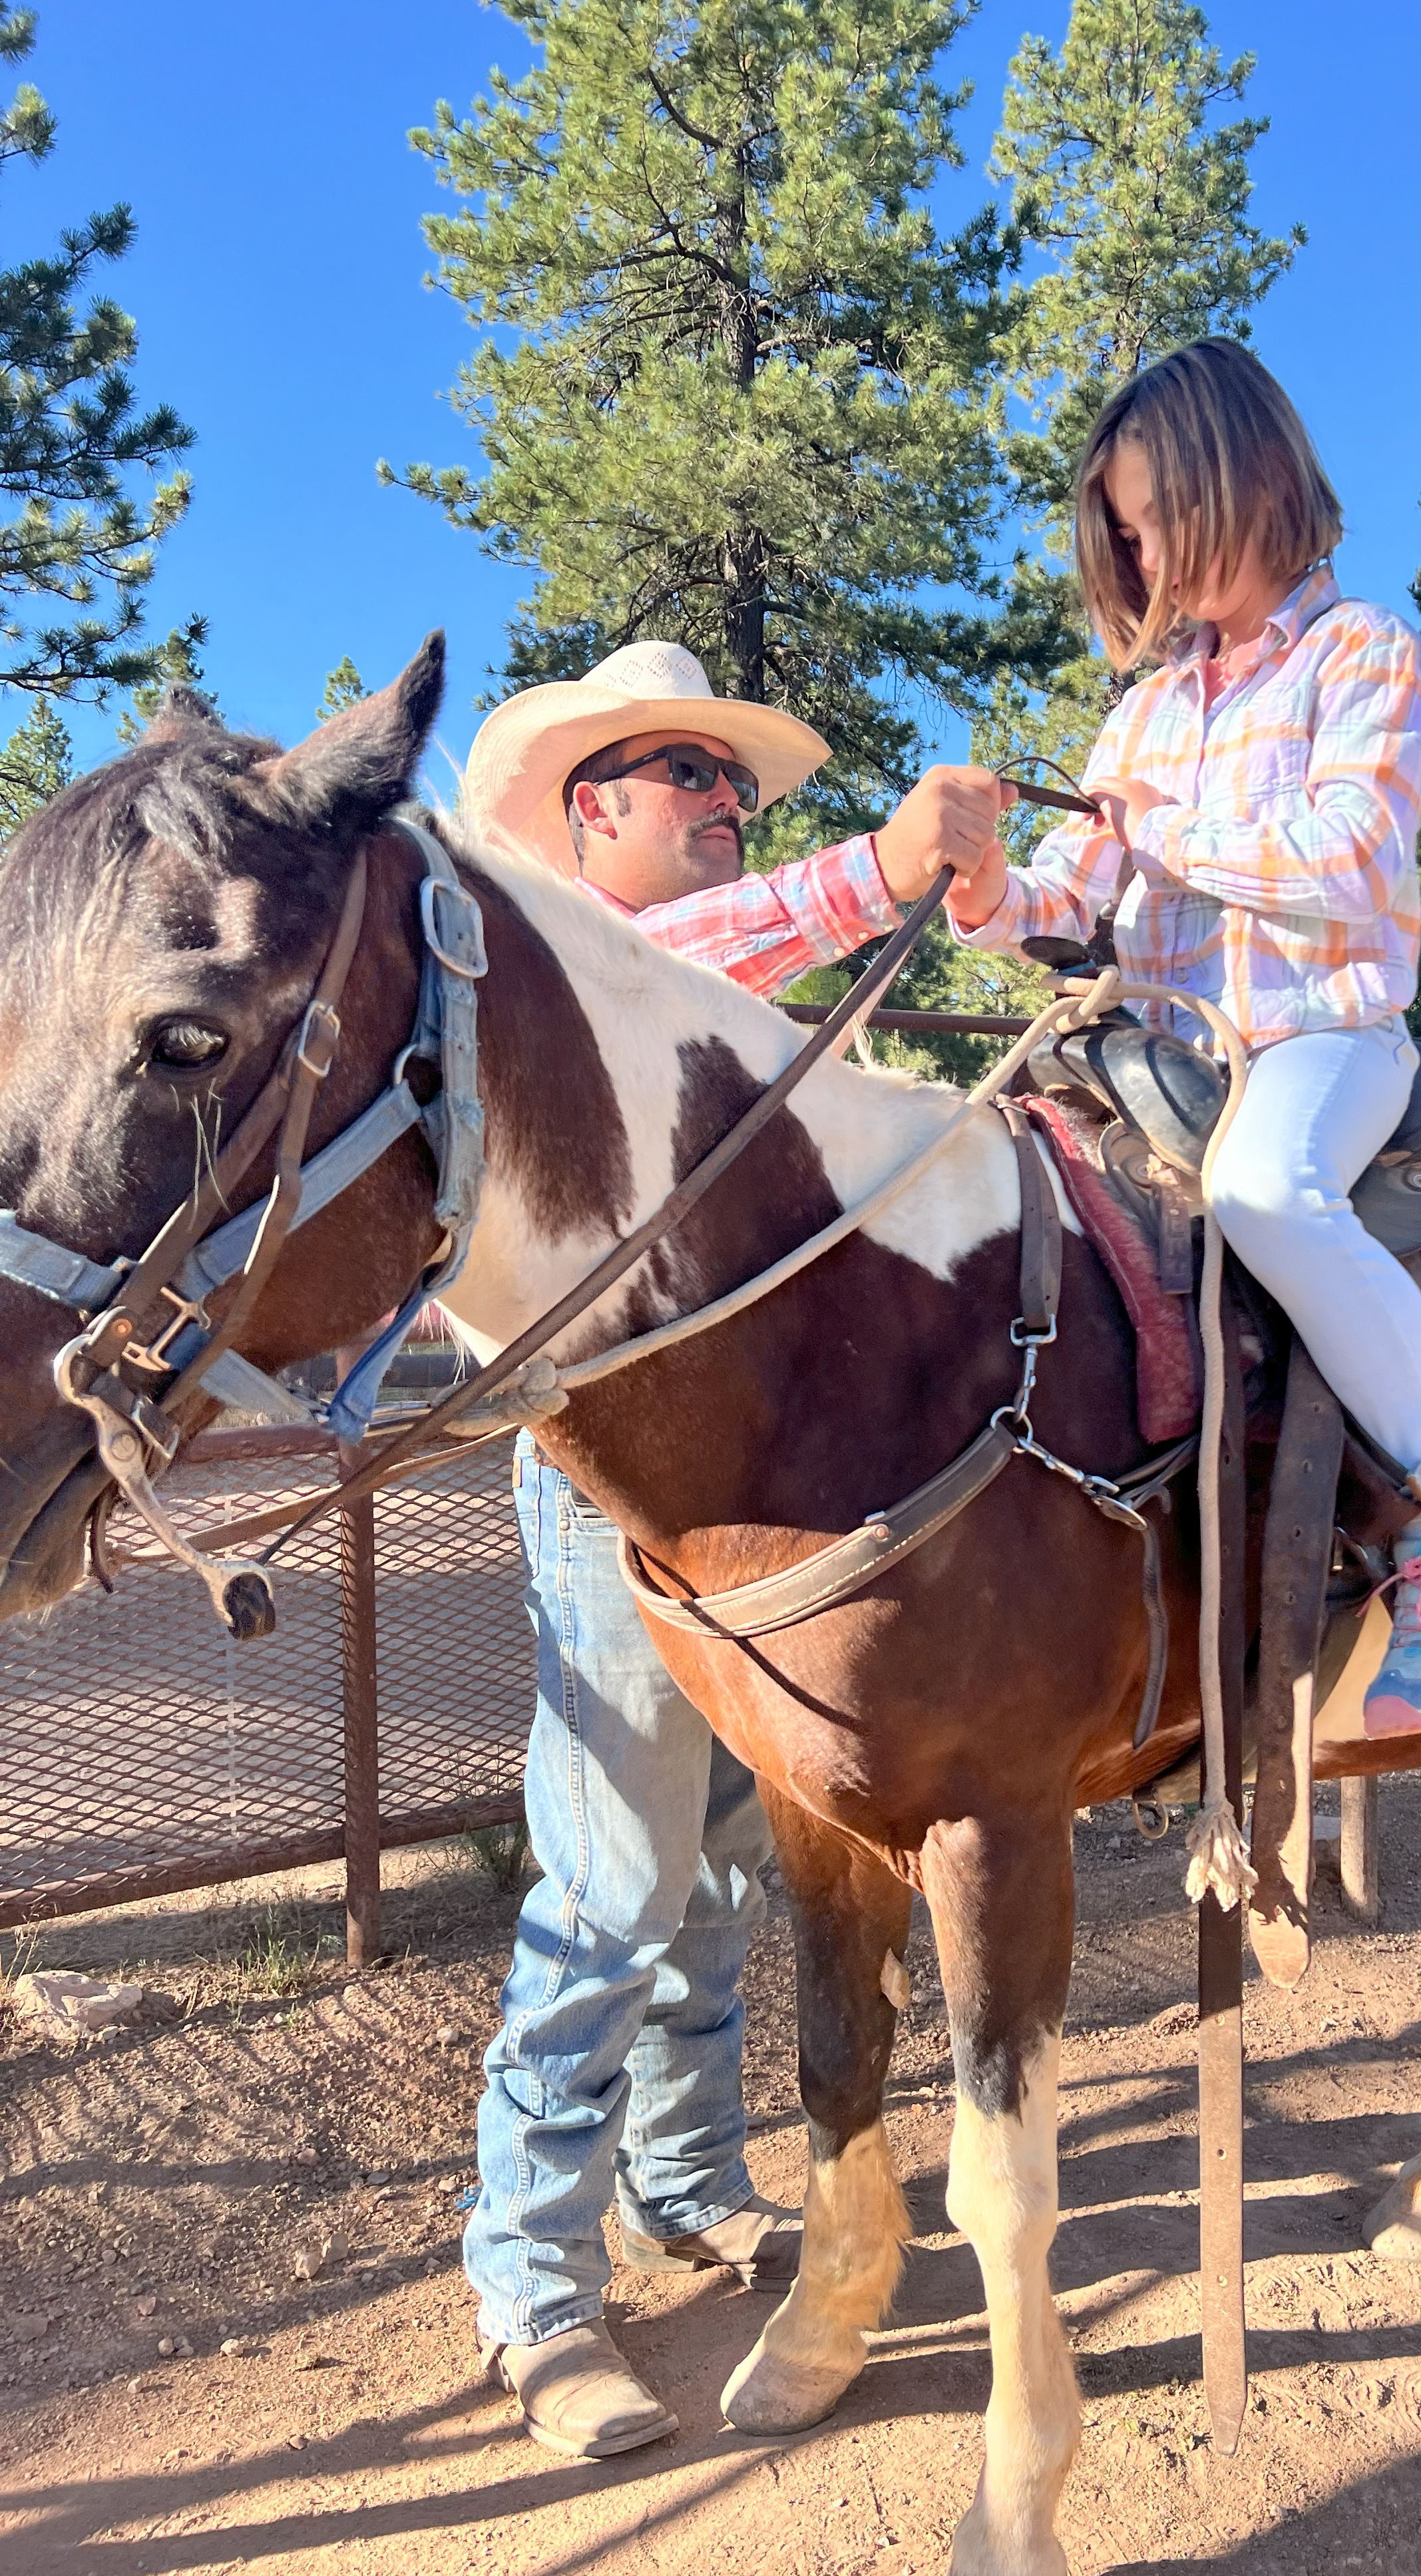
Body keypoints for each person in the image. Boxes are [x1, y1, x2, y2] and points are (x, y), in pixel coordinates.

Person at [458, 643, 1001, 2457]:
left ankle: (683, 2184)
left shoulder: (721, 1005)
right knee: (616, 1877)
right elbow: (705, 958)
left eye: (730, 781)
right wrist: (876, 873)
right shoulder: (560, 964)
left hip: (745, 1471)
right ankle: (531, 2284)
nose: (719, 799)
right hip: (614, 1480)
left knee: (707, 1864)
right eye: (683, 771)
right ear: (587, 806)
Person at [946, 336, 1421, 1737]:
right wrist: (985, 887)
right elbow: (1071, 896)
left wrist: (1171, 835)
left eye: (1155, 525)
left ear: (1245, 481)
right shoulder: (1141, 717)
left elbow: (1352, 855)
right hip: (1157, 1058)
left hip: (1320, 1039)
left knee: (1268, 1189)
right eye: (1125, 538)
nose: (1142, 563)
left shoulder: (1369, 656)